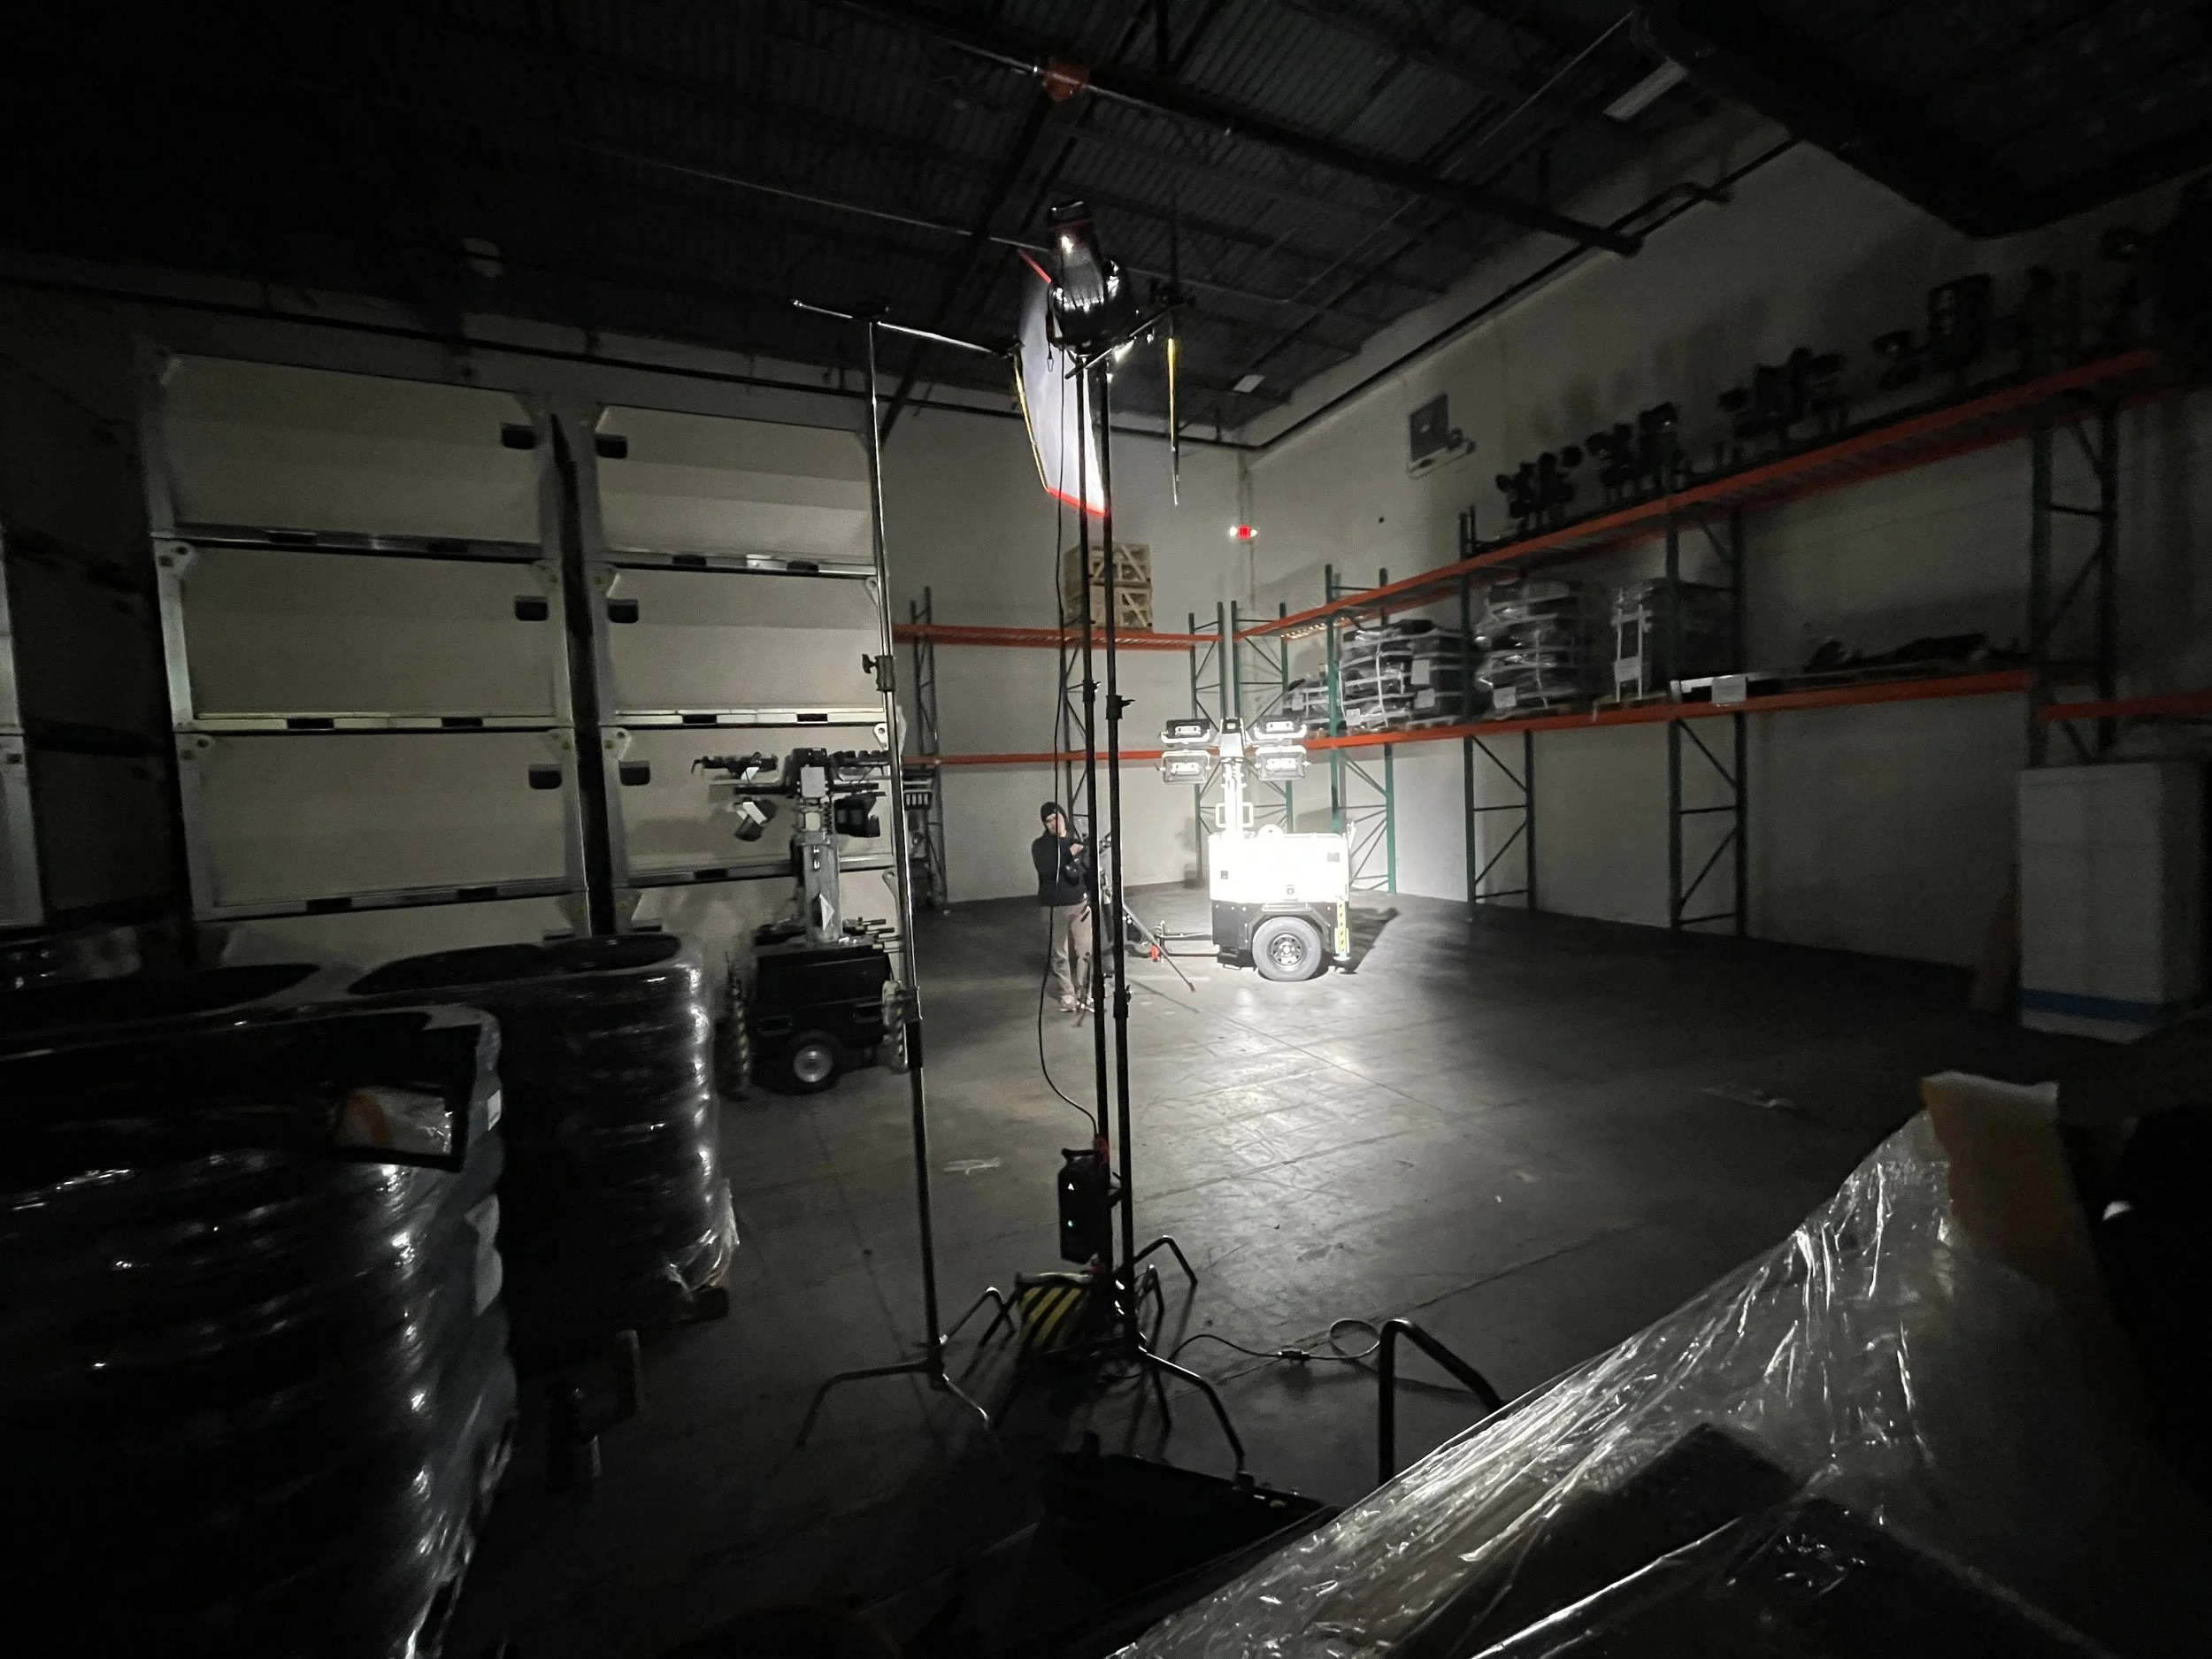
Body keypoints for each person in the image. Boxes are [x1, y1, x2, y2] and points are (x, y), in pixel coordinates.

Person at [1033, 801, 1093, 1013]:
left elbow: (1084, 869)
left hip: (1078, 903)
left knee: (1085, 948)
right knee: (1059, 953)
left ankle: (1085, 991)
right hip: (1052, 905)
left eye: (1055, 818)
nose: (1052, 823)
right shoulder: (1040, 845)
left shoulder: (1076, 841)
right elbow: (1046, 868)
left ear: (1063, 817)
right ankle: (1067, 993)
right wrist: (1069, 854)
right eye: (1047, 821)